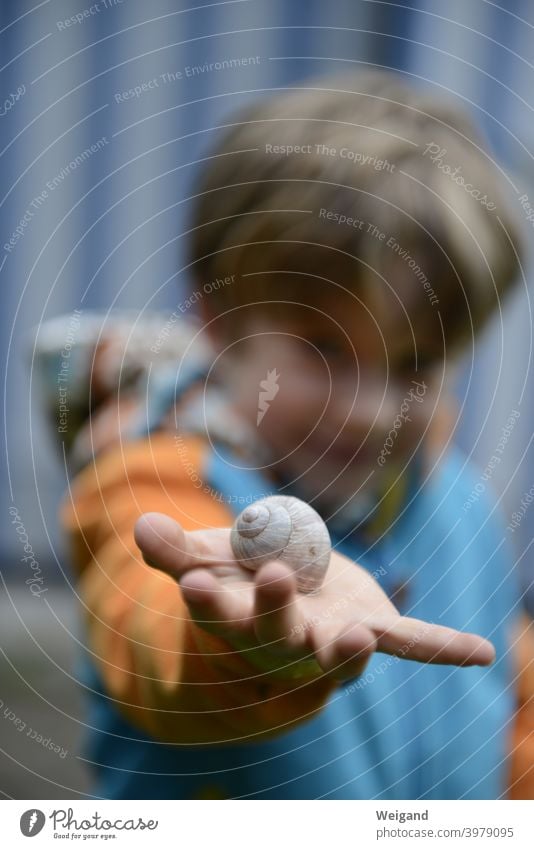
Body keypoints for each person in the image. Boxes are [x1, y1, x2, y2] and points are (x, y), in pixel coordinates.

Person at [53, 70, 533, 799]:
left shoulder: (459, 503)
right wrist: (242, 649)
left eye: (415, 364)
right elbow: (152, 642)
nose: (370, 408)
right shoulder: (151, 483)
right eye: (325, 348)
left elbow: (509, 696)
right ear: (222, 323)